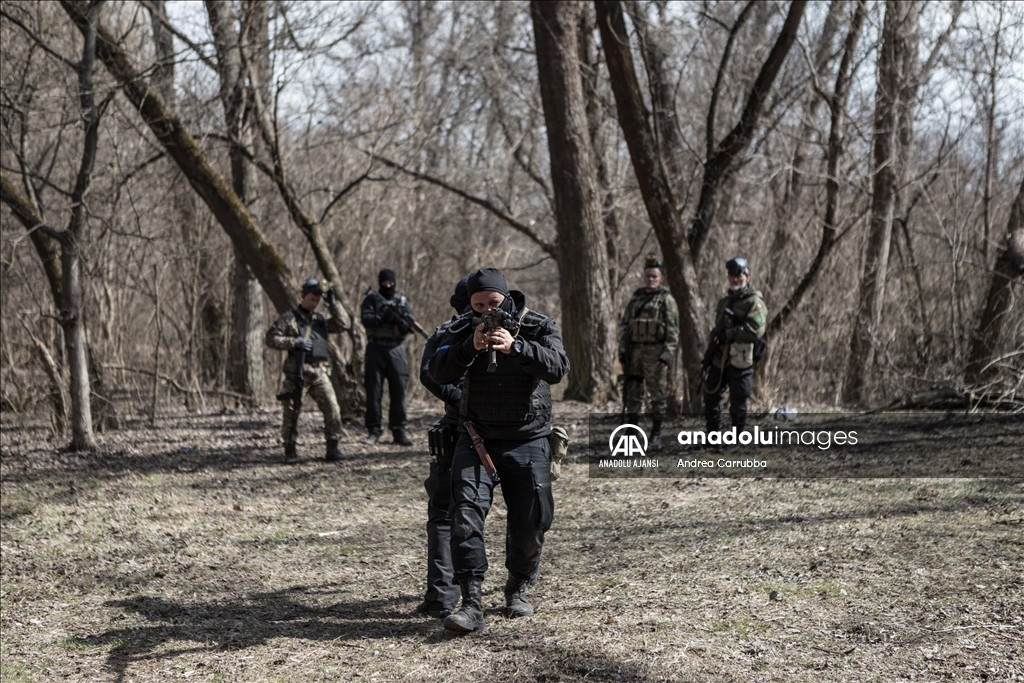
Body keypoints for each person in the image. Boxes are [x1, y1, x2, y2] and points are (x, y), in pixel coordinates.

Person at [429, 268, 569, 633]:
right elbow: (437, 371)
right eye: (477, 305)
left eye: (492, 303)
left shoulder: (538, 326)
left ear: (507, 297)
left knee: (532, 522)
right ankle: (471, 601)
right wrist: (469, 347)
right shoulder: (462, 329)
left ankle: (517, 588)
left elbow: (558, 368)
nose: (485, 310)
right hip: (477, 439)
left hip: (529, 439)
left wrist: (516, 347)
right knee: (465, 516)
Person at [415, 275, 471, 620]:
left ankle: (443, 596)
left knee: (444, 513)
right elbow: (428, 373)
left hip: (505, 432)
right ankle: (515, 591)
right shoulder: (449, 332)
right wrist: (460, 402)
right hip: (461, 427)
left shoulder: (516, 329)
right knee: (445, 509)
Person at [265, 278, 346, 462]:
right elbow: (270, 338)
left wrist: (334, 304)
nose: (314, 303)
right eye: (311, 299)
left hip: (320, 373)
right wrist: (293, 342)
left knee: (333, 408)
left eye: (317, 301)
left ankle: (333, 447)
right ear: (302, 297)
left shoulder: (321, 320)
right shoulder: (290, 318)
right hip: (298, 374)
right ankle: (290, 449)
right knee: (292, 413)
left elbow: (343, 324)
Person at [618, 255, 679, 452]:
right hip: (635, 351)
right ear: (643, 276)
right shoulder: (636, 299)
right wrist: (622, 351)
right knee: (633, 391)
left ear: (660, 277)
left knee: (657, 394)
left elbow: (673, 331)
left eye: (654, 276)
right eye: (648, 276)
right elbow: (625, 326)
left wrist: (667, 355)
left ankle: (656, 433)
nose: (651, 279)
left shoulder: (666, 300)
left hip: (656, 354)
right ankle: (633, 429)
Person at [703, 256, 767, 439]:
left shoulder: (754, 302)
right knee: (711, 397)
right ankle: (712, 437)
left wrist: (729, 334)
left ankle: (736, 439)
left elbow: (756, 330)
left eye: (739, 275)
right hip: (719, 357)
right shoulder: (724, 302)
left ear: (747, 276)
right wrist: (710, 353)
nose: (735, 279)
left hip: (740, 359)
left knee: (738, 400)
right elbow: (717, 330)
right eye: (732, 275)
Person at [360, 268, 417, 446]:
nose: (388, 285)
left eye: (391, 283)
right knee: (373, 391)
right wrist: (383, 317)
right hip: (375, 347)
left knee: (399, 390)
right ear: (380, 282)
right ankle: (373, 431)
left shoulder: (401, 302)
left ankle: (398, 431)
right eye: (385, 283)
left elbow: (411, 324)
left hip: (396, 349)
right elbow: (366, 319)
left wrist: (400, 322)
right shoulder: (371, 300)